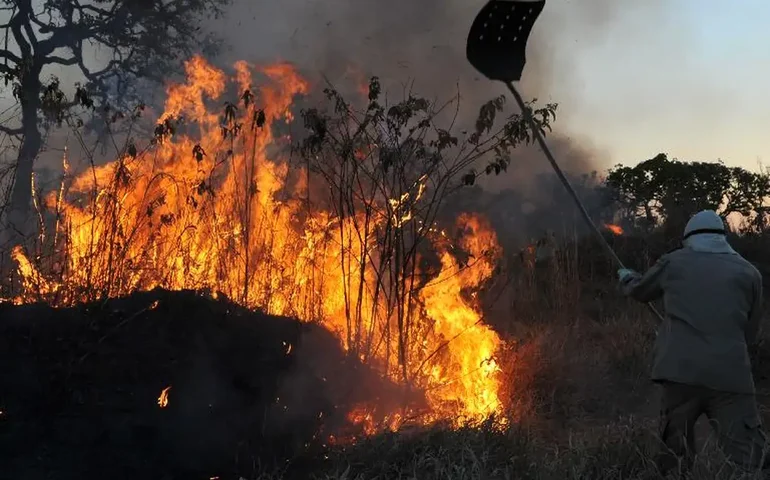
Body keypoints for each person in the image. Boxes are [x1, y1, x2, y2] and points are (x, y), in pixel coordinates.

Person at [617, 210, 767, 475]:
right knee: (749, 456)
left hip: (679, 373)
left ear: (689, 238)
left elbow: (641, 291)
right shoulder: (749, 272)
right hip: (731, 376)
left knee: (674, 454)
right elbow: (750, 333)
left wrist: (627, 278)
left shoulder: (673, 262)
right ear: (723, 237)